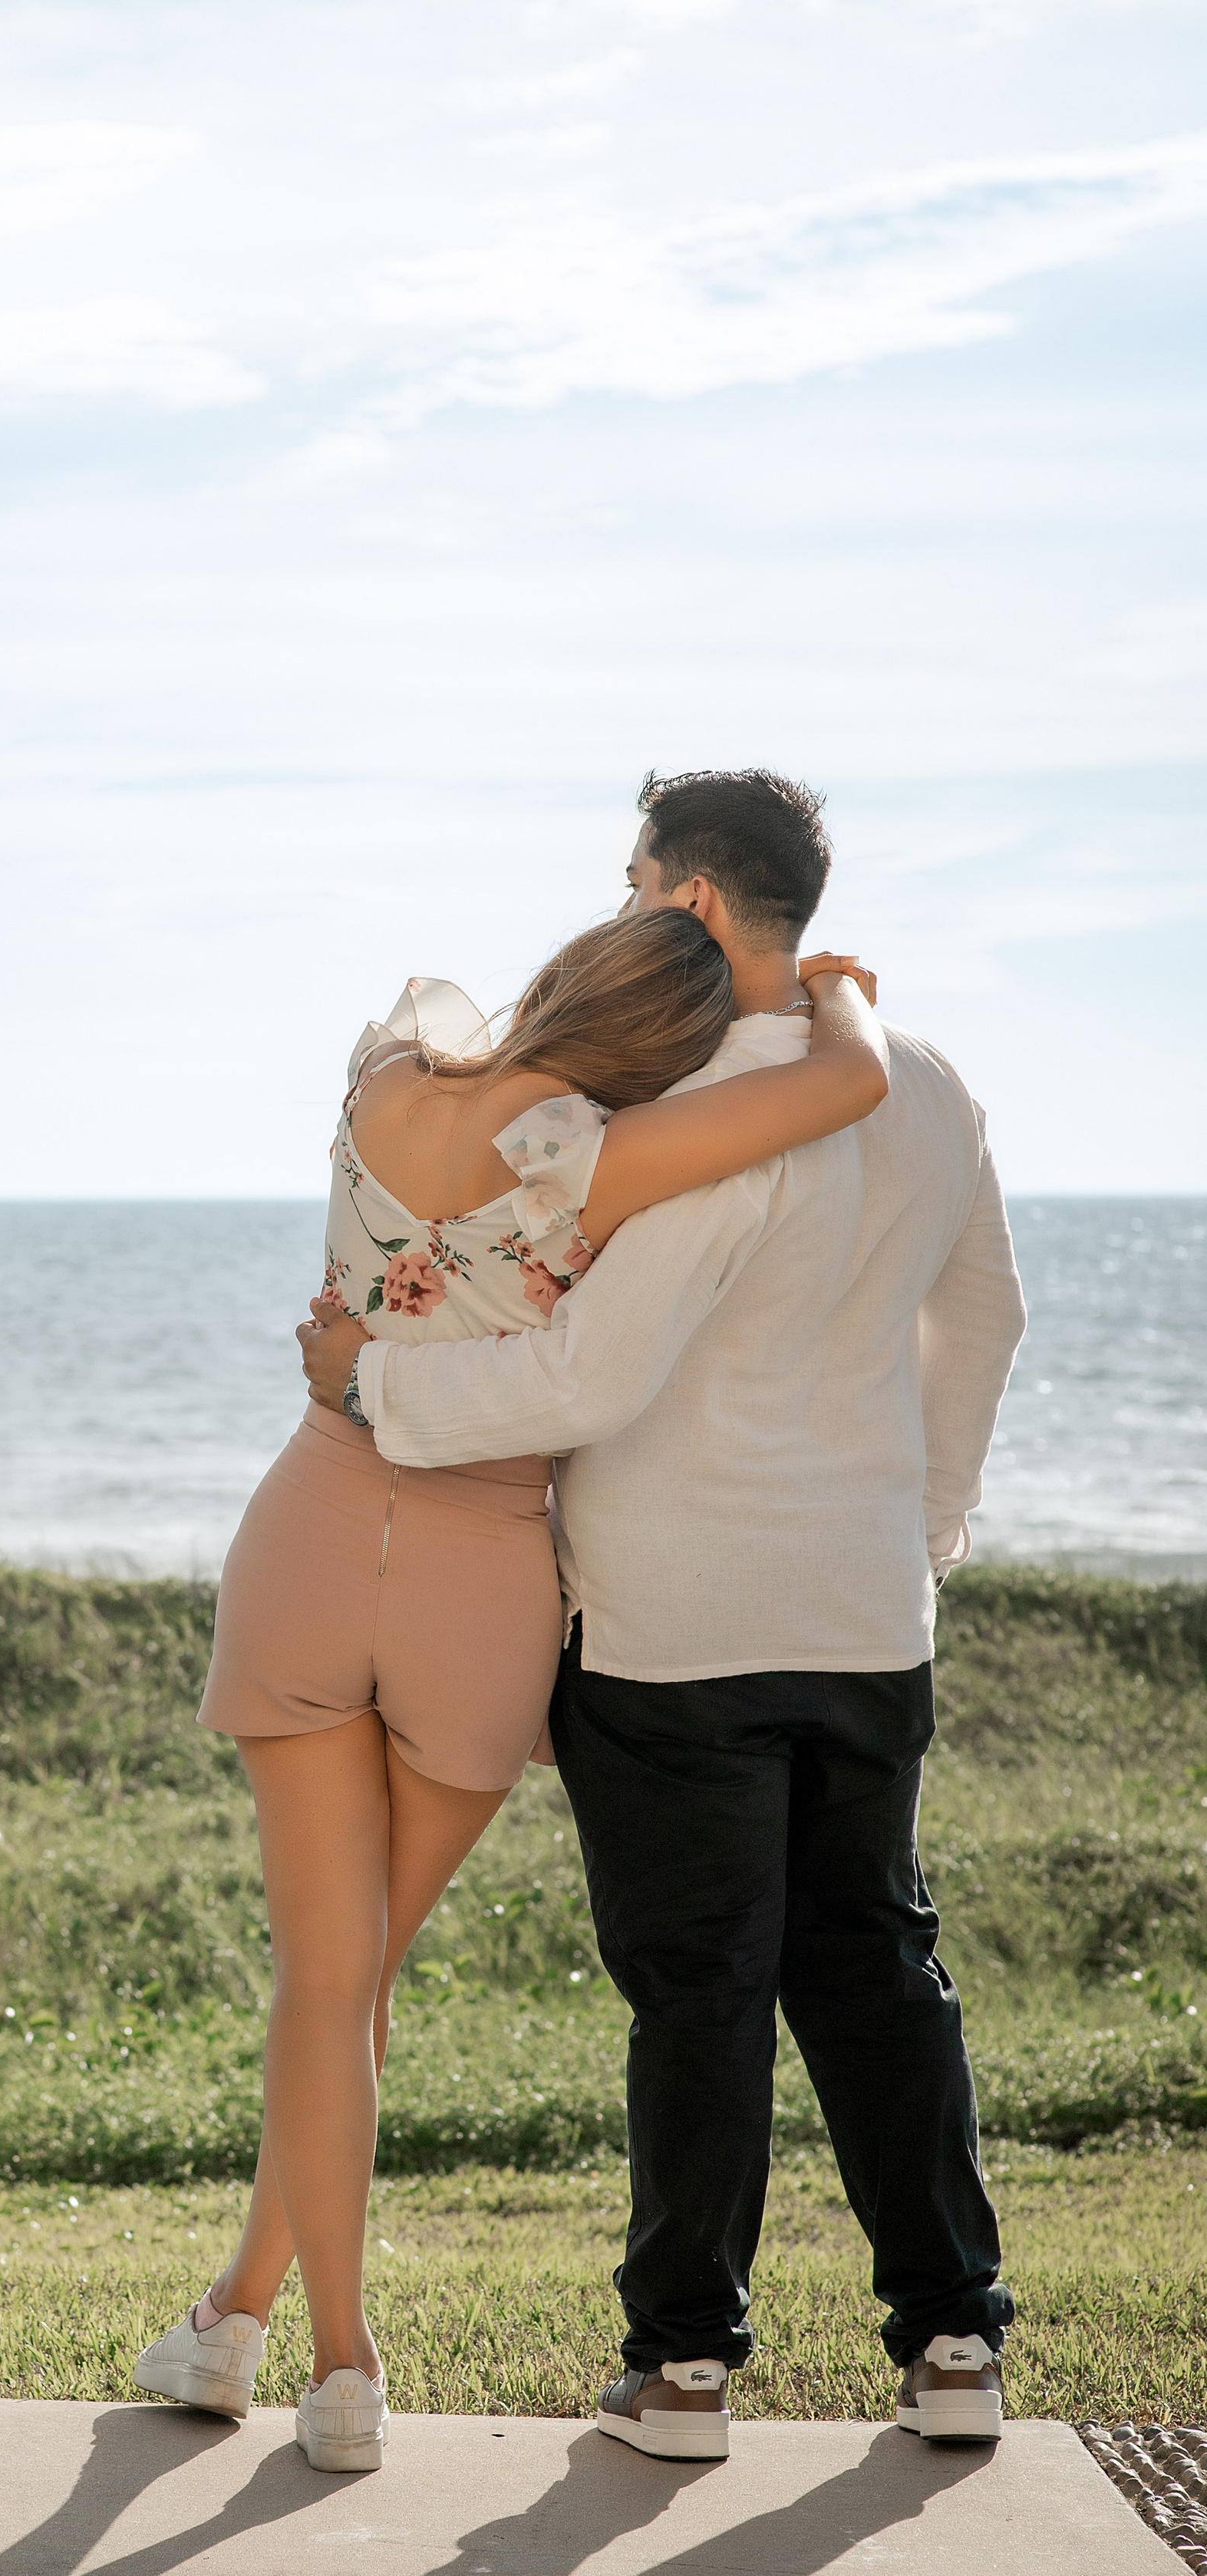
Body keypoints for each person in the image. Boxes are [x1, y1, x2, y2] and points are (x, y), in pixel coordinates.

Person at [298, 767, 1027, 2466]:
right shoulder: (920, 1082)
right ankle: (950, 2342)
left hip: (670, 1623)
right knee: (877, 1969)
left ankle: (682, 2370)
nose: (622, 904)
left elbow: (588, 1375)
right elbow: (983, 1316)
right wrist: (921, 1528)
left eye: (633, 879)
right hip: (861, 1608)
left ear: (692, 903)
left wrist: (370, 1383)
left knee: (699, 1986)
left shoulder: (693, 1107)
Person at [134, 889, 892, 2471]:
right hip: (481, 1579)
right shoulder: (595, 1163)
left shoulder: (380, 1073)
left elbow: (449, 1042)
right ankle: (275, 2343)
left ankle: (283, 2346)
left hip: (312, 1527)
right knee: (356, 1980)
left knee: (324, 1985)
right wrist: (833, 995)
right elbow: (843, 1086)